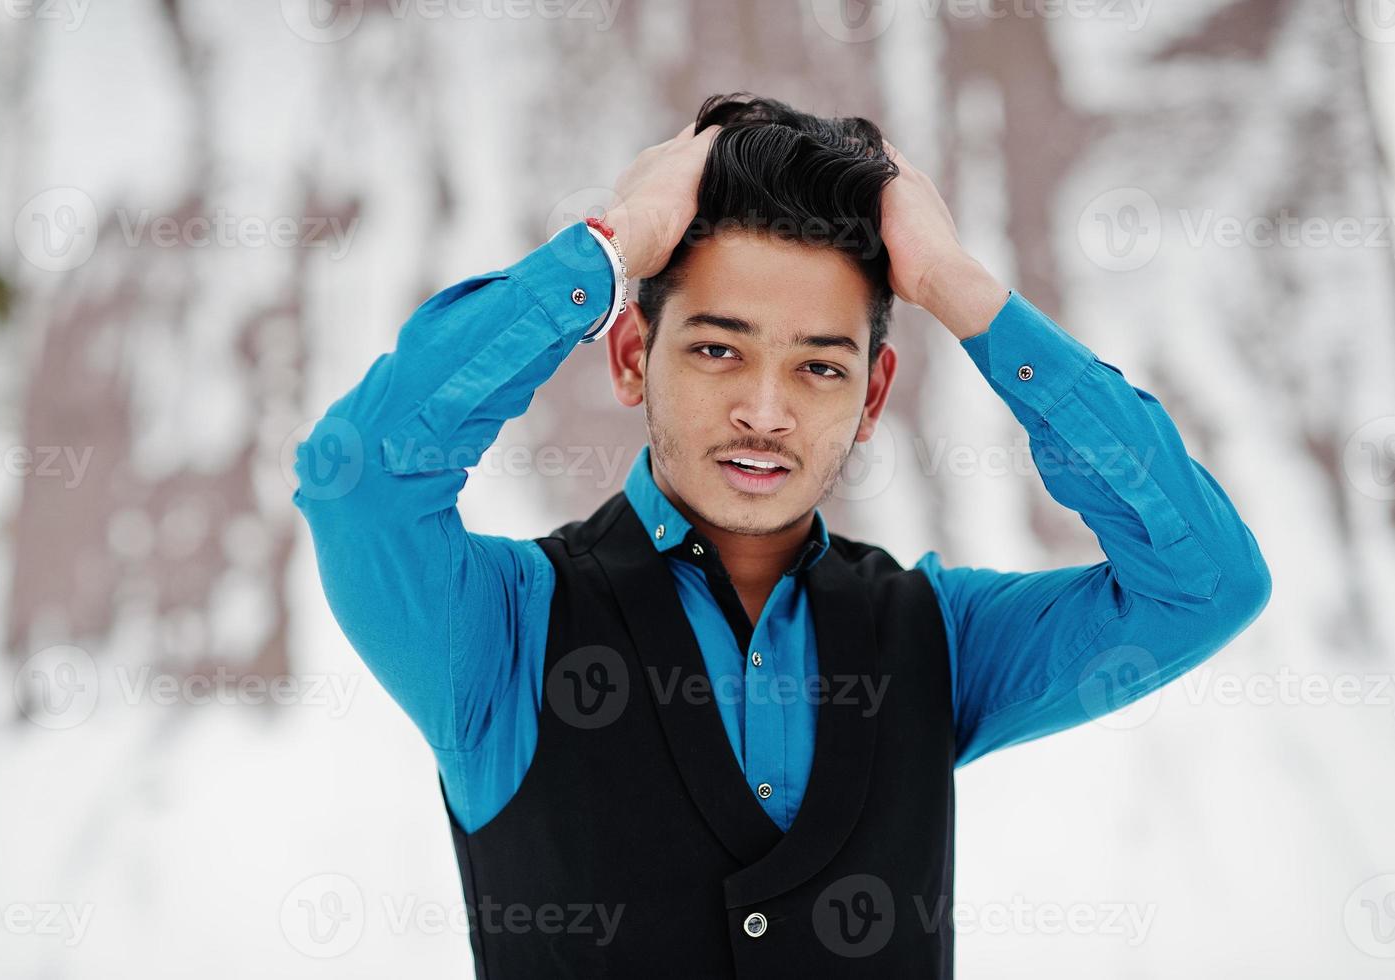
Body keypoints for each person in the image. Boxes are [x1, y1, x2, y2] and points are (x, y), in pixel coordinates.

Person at [292, 93, 1271, 978]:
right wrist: (613, 247)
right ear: (633, 354)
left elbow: (1205, 584)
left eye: (819, 367)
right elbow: (360, 478)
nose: (765, 410)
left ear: (874, 393)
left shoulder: (939, 638)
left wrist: (966, 295)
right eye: (719, 348)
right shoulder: (502, 636)